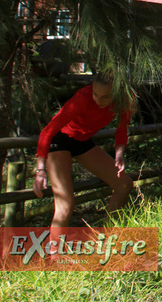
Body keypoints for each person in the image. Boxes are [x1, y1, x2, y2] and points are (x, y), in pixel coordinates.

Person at [32, 74, 134, 228]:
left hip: (81, 141)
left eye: (105, 97)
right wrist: (40, 170)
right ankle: (54, 252)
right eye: (95, 94)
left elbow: (121, 130)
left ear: (116, 94)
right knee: (65, 206)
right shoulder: (82, 98)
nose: (98, 100)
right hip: (60, 140)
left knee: (125, 185)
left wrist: (119, 154)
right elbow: (48, 131)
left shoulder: (125, 99)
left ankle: (108, 237)